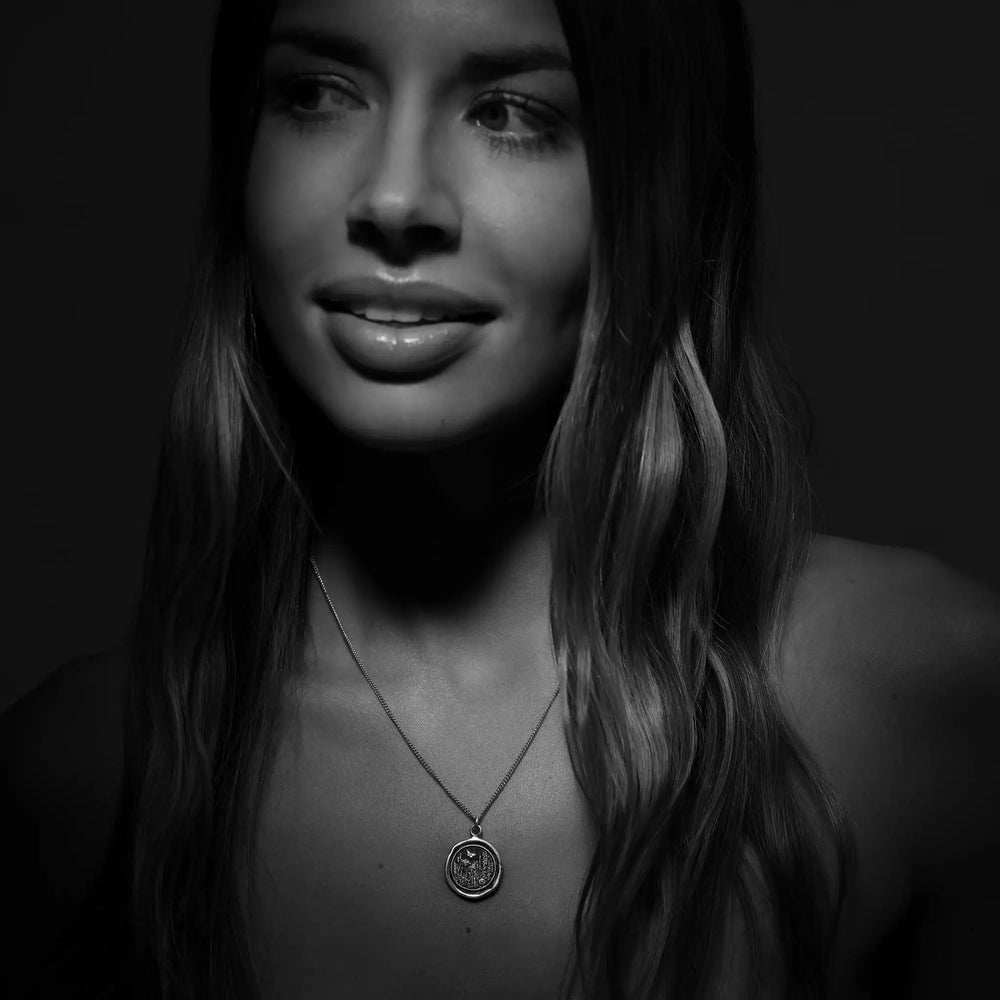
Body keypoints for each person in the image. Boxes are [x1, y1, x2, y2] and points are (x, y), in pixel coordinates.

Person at [3, 0, 999, 996]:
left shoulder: (919, 703)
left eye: (510, 112)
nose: (394, 199)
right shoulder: (69, 784)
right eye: (315, 93)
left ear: (660, 178)